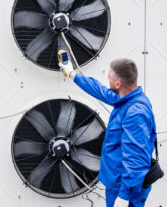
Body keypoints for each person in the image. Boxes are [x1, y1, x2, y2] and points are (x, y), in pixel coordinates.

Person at [59, 58, 156, 207]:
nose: (107, 80)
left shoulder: (135, 113)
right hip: (117, 182)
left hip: (123, 188)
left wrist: (124, 197)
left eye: (109, 77)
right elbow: (101, 91)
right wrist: (72, 74)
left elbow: (137, 161)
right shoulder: (128, 98)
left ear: (118, 84)